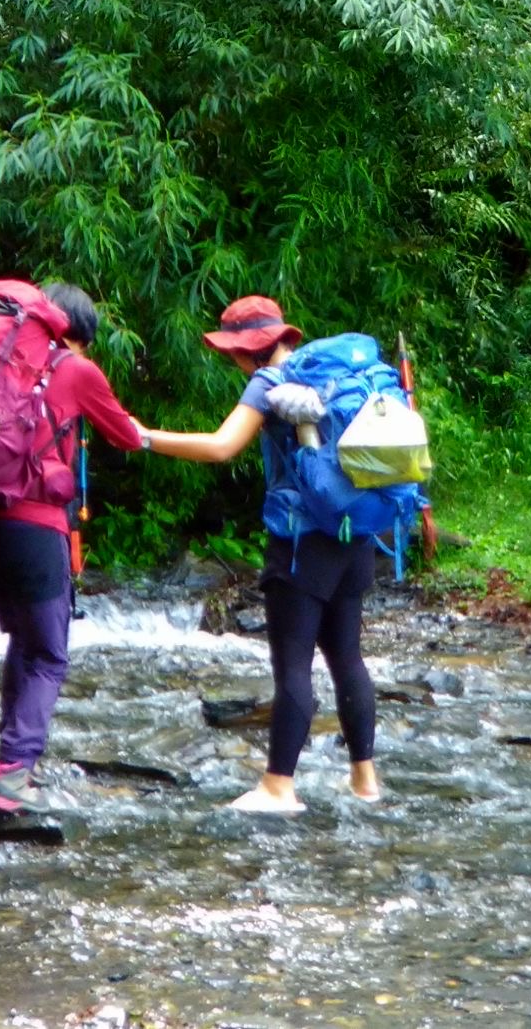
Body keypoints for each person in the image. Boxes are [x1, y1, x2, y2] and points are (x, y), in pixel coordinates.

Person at [143, 297, 381, 815]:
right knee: (347, 656)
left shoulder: (268, 383)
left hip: (300, 544)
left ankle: (279, 785)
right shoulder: (331, 375)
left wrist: (144, 438)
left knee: (293, 665)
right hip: (356, 533)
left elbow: (221, 446)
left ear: (247, 349)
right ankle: (365, 779)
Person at [0, 281, 156, 817]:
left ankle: (10, 765)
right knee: (49, 653)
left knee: (26, 638)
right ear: (75, 334)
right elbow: (127, 437)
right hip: (35, 528)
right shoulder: (75, 369)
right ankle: (14, 775)